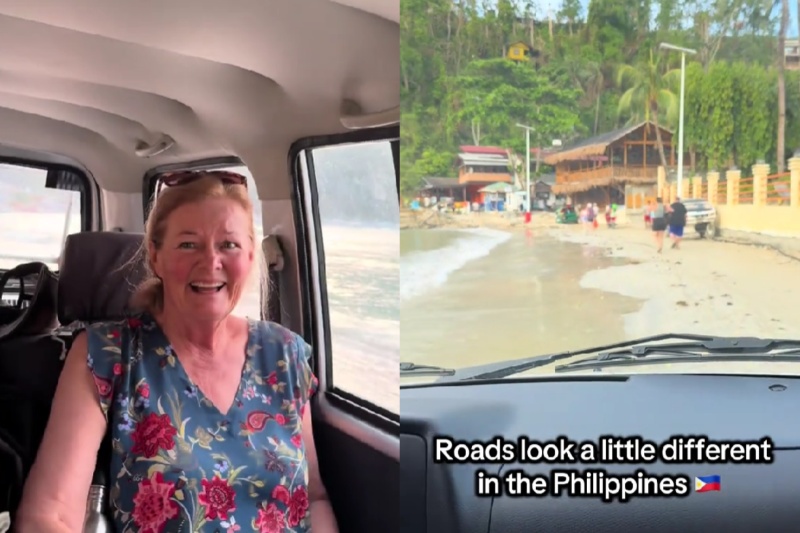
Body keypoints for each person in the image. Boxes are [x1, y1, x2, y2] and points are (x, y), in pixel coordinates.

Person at [16, 172, 338, 533]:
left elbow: (314, 497)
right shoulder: (107, 354)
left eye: (229, 244)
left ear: (250, 255)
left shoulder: (284, 354)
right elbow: (48, 517)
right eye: (188, 245)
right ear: (156, 256)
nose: (210, 261)